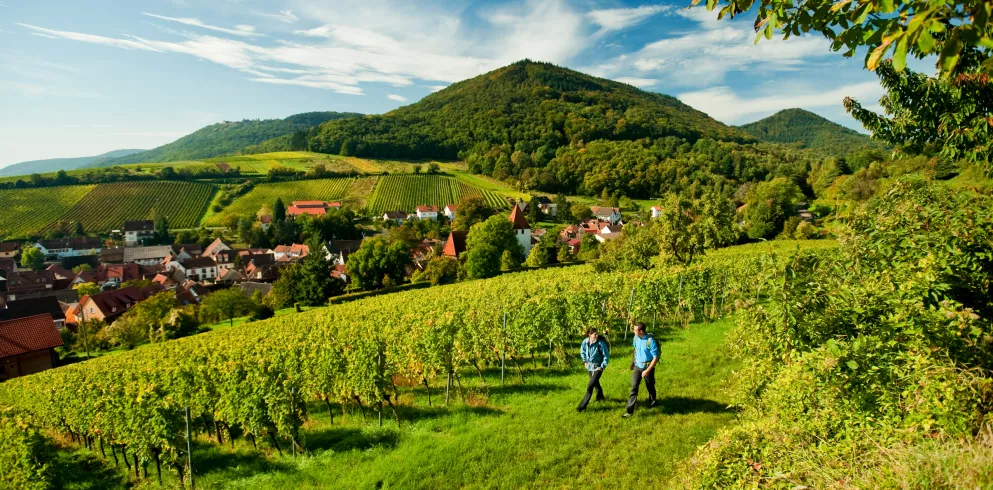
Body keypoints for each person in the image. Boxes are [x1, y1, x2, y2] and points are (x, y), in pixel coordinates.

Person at [623, 322, 659, 417]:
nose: (633, 331)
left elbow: (656, 358)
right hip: (637, 366)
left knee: (650, 385)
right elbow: (636, 350)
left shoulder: (650, 341)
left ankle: (653, 401)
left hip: (648, 367)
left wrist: (647, 370)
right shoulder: (636, 338)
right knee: (634, 387)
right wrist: (633, 362)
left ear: (641, 331)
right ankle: (629, 411)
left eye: (635, 330)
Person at [577, 327, 610, 412]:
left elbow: (606, 356)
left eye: (597, 334)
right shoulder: (585, 342)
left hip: (598, 367)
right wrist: (585, 361)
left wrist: (602, 366)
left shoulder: (600, 344)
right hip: (589, 367)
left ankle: (582, 406)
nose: (596, 335)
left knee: (590, 385)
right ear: (590, 335)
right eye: (595, 334)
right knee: (595, 383)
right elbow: (582, 351)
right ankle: (600, 397)